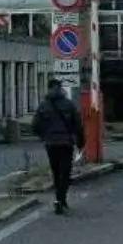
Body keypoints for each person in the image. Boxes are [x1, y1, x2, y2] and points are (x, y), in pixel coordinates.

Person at [32, 78, 84, 214]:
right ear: (60, 89)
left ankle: (59, 199)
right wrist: (80, 143)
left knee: (56, 172)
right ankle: (61, 199)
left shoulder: (43, 106)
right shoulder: (69, 104)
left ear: (48, 89)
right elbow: (78, 125)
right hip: (66, 143)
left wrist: (44, 136)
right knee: (65, 172)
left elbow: (35, 125)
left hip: (51, 144)